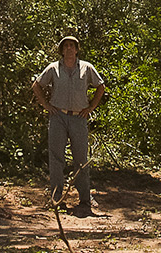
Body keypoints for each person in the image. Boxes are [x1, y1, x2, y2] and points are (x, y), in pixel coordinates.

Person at [31, 33, 107, 212]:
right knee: (56, 158)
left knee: (81, 159)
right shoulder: (53, 68)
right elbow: (36, 85)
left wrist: (90, 108)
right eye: (66, 46)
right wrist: (46, 105)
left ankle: (85, 200)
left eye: (72, 45)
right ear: (62, 50)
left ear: (77, 49)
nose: (69, 48)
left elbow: (101, 86)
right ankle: (56, 198)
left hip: (79, 118)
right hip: (58, 116)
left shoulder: (87, 68)